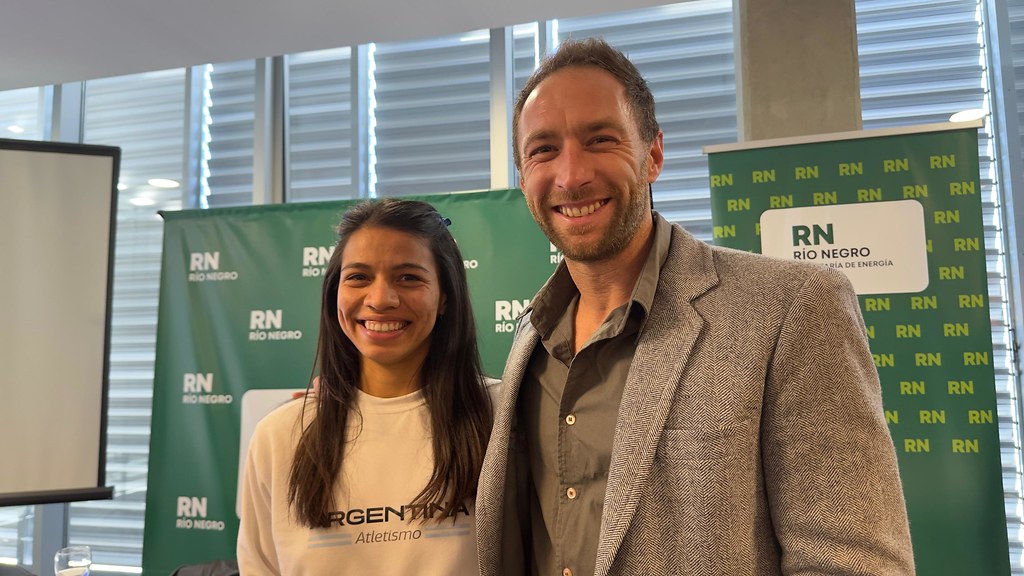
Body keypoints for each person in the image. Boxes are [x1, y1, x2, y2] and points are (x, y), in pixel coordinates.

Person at [475, 38, 915, 576]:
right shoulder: (531, 340)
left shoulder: (793, 307)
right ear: (523, 176)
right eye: (543, 150)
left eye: (600, 139)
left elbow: (851, 565)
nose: (570, 175)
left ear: (653, 154)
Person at [237, 198, 496, 574]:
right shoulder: (279, 436)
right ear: (334, 293)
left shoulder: (502, 415)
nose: (380, 300)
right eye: (358, 277)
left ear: (445, 297)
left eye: (408, 277)